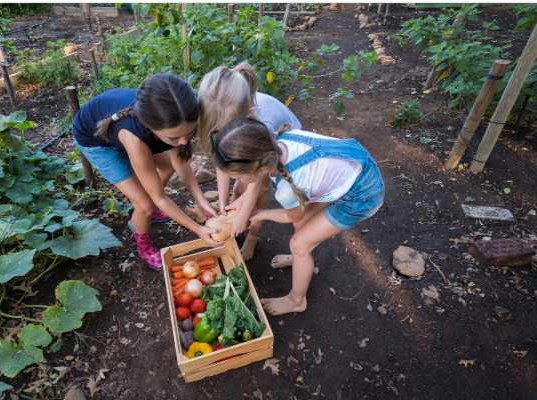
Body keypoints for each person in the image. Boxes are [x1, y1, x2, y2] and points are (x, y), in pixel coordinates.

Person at [209, 118, 385, 316]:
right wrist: (240, 206)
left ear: (261, 168)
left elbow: (291, 213)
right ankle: (299, 259)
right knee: (301, 224)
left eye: (238, 177)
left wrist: (260, 215)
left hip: (361, 194)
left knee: (299, 243)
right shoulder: (278, 145)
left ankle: (296, 300)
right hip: (353, 166)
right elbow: (260, 182)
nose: (237, 182)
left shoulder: (286, 189)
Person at [73, 74, 223, 271]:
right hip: (95, 140)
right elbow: (161, 199)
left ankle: (147, 210)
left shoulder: (175, 118)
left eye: (189, 133)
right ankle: (144, 245)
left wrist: (201, 201)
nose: (185, 141)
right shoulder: (136, 139)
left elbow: (180, 163)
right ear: (152, 127)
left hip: (123, 132)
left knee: (167, 166)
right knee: (144, 205)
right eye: (175, 137)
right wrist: (198, 229)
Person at [198, 63, 302, 260]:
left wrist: (244, 215)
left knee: (258, 195)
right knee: (238, 190)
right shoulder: (222, 116)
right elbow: (222, 161)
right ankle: (237, 222)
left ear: (247, 114)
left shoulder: (264, 125)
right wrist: (223, 201)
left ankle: (252, 237)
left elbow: (257, 183)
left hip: (276, 148)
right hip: (250, 150)